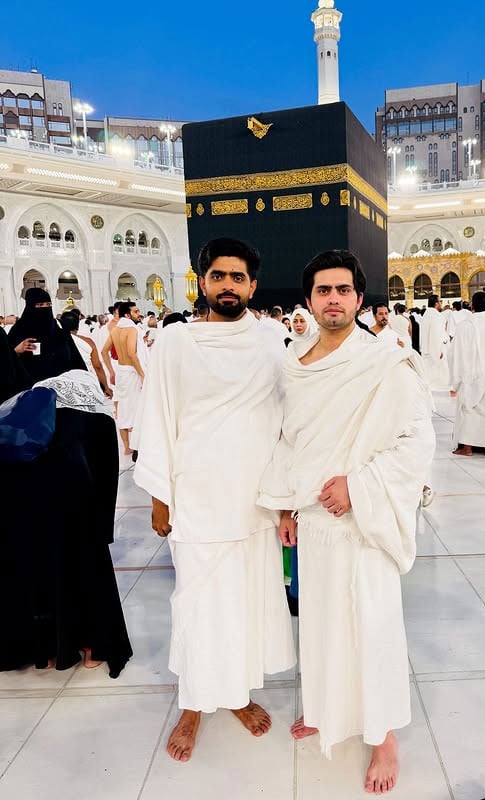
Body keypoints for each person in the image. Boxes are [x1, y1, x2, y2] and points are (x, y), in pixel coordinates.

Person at [258, 249, 435, 795]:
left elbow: (417, 442)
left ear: (359, 299)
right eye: (322, 290)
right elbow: (288, 440)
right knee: (320, 624)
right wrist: (286, 505)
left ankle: (383, 737)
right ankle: (328, 711)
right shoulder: (293, 361)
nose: (332, 299)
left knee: (371, 627)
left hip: (362, 520)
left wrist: (357, 488)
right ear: (309, 300)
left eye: (342, 290)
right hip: (313, 522)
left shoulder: (385, 362)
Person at [133, 237, 295, 764]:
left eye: (239, 277)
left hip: (254, 499)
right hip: (197, 496)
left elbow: (288, 421)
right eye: (219, 276)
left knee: (246, 603)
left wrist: (287, 497)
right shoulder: (175, 342)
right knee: (200, 606)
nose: (229, 285)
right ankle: (194, 704)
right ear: (202, 281)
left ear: (252, 285)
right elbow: (157, 415)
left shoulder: (272, 340)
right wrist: (160, 497)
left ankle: (239, 694)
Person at [0, 328, 132, 678]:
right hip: (75, 508)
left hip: (24, 508)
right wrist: (103, 529)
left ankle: (41, 650)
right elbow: (107, 480)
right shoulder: (95, 417)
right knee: (84, 571)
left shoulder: (22, 408)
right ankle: (92, 648)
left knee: (37, 570)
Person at [451, 291, 485, 457]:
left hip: (470, 372)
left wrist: (455, 378)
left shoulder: (465, 326)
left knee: (469, 408)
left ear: (472, 305)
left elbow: (456, 353)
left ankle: (466, 447)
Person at [8, 289, 86, 382]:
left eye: (48, 304)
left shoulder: (59, 328)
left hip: (64, 387)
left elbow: (76, 358)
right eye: (40, 305)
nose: (45, 308)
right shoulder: (19, 330)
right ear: (30, 306)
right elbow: (5, 362)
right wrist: (16, 351)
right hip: (34, 389)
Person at [101, 301, 146, 455]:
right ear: (127, 314)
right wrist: (142, 373)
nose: (138, 314)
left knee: (123, 408)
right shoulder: (131, 329)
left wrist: (112, 371)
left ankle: (127, 447)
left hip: (120, 372)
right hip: (132, 372)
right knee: (137, 408)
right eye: (135, 312)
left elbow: (104, 351)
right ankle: (138, 444)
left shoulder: (115, 330)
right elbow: (131, 353)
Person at [59, 310, 111, 396]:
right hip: (87, 380)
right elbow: (97, 366)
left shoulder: (56, 342)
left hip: (65, 383)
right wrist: (106, 387)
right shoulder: (88, 341)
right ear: (78, 326)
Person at [419, 294, 449, 390]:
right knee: (438, 380)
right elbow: (435, 335)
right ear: (436, 303)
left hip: (427, 349)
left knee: (429, 377)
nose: (441, 304)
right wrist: (437, 351)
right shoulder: (436, 316)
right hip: (435, 350)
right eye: (440, 302)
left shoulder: (427, 314)